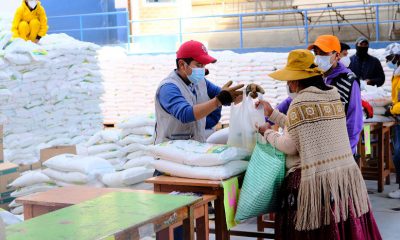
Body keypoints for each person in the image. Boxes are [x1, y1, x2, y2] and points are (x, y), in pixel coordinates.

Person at [257, 49, 382, 239]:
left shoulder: (299, 102)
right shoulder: (331, 95)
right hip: (341, 176)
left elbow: (290, 145)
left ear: (296, 81)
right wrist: (272, 114)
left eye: (289, 80)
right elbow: (305, 129)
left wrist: (266, 133)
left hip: (314, 181)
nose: (289, 84)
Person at [154, 40, 262, 144]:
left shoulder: (201, 82)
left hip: (194, 146)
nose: (202, 69)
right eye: (199, 65)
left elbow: (227, 97)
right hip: (170, 150)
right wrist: (218, 101)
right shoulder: (168, 88)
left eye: (204, 66)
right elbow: (185, 114)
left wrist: (246, 92)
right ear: (182, 65)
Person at [270, 35, 363, 157]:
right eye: (316, 53)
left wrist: (347, 151)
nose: (319, 57)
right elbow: (293, 99)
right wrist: (269, 114)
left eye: (324, 53)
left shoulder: (349, 81)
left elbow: (354, 120)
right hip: (319, 149)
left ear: (337, 56)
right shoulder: (315, 76)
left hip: (341, 151)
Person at [383, 43, 400, 199]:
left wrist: (392, 109)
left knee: (398, 154)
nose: (389, 61)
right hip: (398, 119)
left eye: (390, 58)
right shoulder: (397, 72)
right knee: (397, 154)